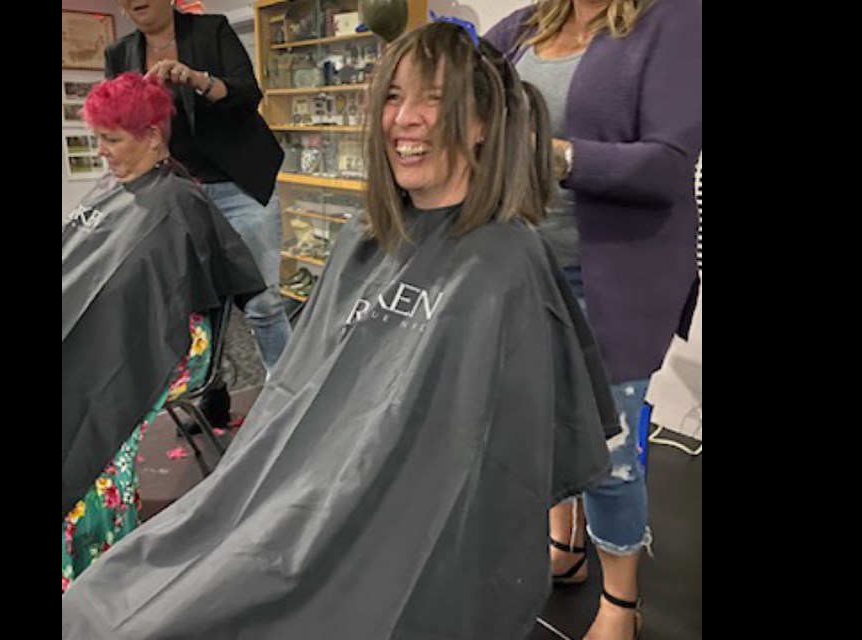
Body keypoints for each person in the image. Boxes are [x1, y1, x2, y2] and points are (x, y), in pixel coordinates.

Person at [62, 22, 617, 639]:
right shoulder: (363, 238)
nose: (405, 118)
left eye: (434, 98)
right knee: (108, 597)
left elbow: (491, 463)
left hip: (387, 530)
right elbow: (302, 393)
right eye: (392, 96)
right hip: (297, 493)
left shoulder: (505, 267)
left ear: (483, 122)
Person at [485, 1, 703, 638]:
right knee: (543, 424)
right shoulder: (527, 26)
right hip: (524, 268)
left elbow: (666, 162)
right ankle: (566, 547)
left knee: (609, 452)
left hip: (613, 278)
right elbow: (458, 87)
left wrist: (554, 157)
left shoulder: (676, 19)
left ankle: (622, 604)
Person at [61, 73, 265, 594]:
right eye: (98, 139)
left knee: (94, 442)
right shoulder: (115, 192)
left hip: (165, 346)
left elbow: (177, 301)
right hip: (109, 333)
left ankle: (94, 578)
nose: (102, 153)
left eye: (113, 139)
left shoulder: (181, 203)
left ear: (152, 135)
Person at [105, 0, 291, 382]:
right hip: (177, 195)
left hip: (240, 184)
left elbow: (247, 95)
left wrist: (197, 79)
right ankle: (213, 394)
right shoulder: (119, 54)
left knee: (262, 302)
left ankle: (289, 399)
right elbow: (120, 122)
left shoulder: (212, 30)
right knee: (196, 311)